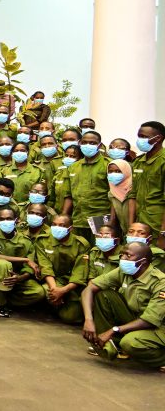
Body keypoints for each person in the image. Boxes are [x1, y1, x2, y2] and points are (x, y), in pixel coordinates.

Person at [81, 242, 165, 371]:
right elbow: (89, 289)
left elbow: (150, 320)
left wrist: (113, 330)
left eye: (128, 255)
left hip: (157, 326)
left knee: (130, 343)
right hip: (134, 317)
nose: (123, 258)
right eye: (122, 254)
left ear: (142, 261)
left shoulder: (160, 282)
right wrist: (88, 319)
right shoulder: (124, 271)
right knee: (103, 294)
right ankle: (110, 344)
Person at [0, 207, 45, 317]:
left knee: (38, 292)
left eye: (9, 218)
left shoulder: (25, 241)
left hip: (15, 277)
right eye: (2, 219)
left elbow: (30, 267)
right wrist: (26, 260)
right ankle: (0, 304)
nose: (5, 222)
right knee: (3, 264)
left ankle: (3, 298)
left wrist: (20, 278)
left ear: (16, 220)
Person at [129, 121, 165, 246]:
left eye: (144, 137)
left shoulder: (163, 161)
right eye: (139, 136)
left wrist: (163, 232)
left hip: (156, 223)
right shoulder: (138, 162)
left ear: (158, 138)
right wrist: (131, 225)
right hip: (139, 224)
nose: (140, 140)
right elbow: (132, 196)